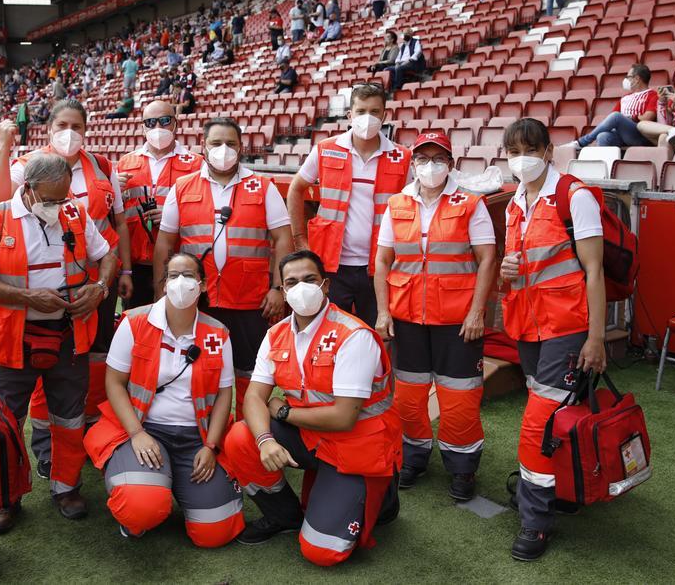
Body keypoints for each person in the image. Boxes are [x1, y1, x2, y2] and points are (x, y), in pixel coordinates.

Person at [222, 250, 400, 566]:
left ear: (326, 286)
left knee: (322, 552)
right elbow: (253, 397)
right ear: (283, 290)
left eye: (310, 280)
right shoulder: (275, 334)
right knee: (240, 438)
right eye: (291, 282)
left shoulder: (352, 335)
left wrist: (283, 412)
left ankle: (383, 496)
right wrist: (265, 440)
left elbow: (344, 417)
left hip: (356, 445)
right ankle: (285, 517)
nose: (301, 288)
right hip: (312, 436)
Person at [0, 152, 117, 524]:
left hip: (68, 335)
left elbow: (107, 256)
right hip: (13, 338)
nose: (59, 207)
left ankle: (66, 486)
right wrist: (28, 297)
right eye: (51, 200)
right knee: (6, 420)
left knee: (69, 417)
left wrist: (100, 287)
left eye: (64, 198)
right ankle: (4, 497)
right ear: (28, 189)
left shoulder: (75, 213)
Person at [0, 99, 134, 466]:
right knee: (42, 365)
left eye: (77, 126)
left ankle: (84, 429)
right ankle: (44, 446)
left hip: (93, 282)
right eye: (62, 125)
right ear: (50, 128)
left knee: (85, 360)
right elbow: (0, 203)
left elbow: (117, 224)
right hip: (41, 288)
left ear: (86, 130)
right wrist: (5, 146)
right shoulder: (28, 167)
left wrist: (117, 276)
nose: (70, 133)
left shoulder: (101, 167)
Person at [499, 118, 607, 561]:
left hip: (567, 328)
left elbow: (594, 272)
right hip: (527, 327)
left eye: (528, 149)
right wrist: (508, 271)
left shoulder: (574, 197)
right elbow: (525, 265)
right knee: (556, 420)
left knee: (538, 423)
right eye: (512, 152)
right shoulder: (513, 204)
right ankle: (562, 488)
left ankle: (536, 520)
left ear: (547, 151)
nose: (519, 158)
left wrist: (596, 339)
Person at [84, 252, 244, 544]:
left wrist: (210, 446)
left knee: (216, 532)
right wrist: (137, 433)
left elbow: (224, 395)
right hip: (144, 430)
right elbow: (114, 383)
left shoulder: (217, 334)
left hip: (196, 438)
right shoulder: (134, 322)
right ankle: (145, 490)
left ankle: (174, 483)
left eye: (189, 276)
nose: (181, 282)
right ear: (164, 283)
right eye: (173, 276)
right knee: (140, 510)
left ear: (203, 285)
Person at [372, 132, 497, 495]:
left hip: (458, 322)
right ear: (412, 164)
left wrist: (477, 313)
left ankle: (462, 468)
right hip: (406, 318)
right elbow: (383, 261)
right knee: (408, 398)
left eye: (438, 159)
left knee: (459, 399)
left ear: (451, 164)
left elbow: (487, 259)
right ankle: (414, 457)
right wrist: (383, 312)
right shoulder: (396, 204)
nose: (431, 166)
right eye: (423, 158)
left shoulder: (471, 204)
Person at [154, 118, 293, 414]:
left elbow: (283, 239)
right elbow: (165, 244)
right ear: (203, 147)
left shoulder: (263, 187)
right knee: (198, 372)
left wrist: (279, 288)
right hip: (196, 299)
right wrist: (162, 295)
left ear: (241, 147)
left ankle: (247, 438)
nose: (224, 150)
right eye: (216, 143)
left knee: (249, 376)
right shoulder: (181, 187)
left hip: (250, 300)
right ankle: (201, 437)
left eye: (230, 143)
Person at [288, 83, 411, 328]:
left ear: (385, 115)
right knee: (329, 330)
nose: (368, 118)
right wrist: (300, 238)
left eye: (375, 112)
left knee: (376, 333)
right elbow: (296, 189)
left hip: (378, 266)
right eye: (361, 111)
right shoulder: (326, 149)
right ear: (349, 116)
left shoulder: (402, 156)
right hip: (332, 265)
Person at [116, 99, 202, 309]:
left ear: (175, 123)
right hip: (135, 263)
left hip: (178, 263)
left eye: (164, 121)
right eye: (151, 122)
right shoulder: (126, 162)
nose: (157, 128)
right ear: (143, 126)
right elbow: (116, 215)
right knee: (138, 327)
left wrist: (172, 217)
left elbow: (204, 214)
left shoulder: (196, 163)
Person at [572, 64, 657, 149]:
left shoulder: (653, 95)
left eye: (628, 77)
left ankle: (581, 142)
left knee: (616, 116)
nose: (626, 80)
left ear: (637, 79)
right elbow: (611, 120)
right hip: (621, 135)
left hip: (639, 135)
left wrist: (629, 117)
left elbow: (647, 118)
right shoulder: (625, 97)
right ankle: (605, 161)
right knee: (602, 136)